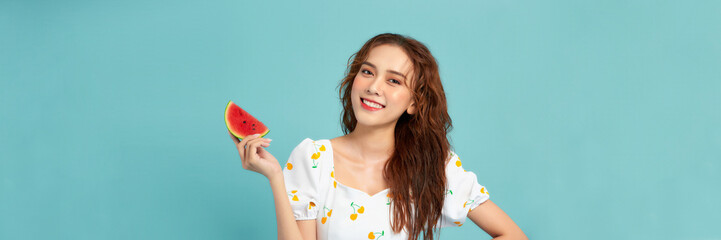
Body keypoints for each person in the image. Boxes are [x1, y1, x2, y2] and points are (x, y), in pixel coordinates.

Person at [229, 33, 527, 240]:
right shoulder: (313, 158)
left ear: (413, 102)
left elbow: (513, 235)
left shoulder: (436, 166)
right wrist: (274, 178)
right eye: (368, 72)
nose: (374, 87)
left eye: (393, 80)